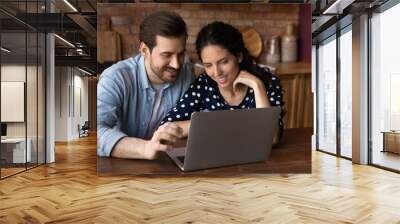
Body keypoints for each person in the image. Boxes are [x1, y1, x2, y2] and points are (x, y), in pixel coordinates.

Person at [97, 11, 195, 159]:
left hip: (167, 164)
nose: (176, 64)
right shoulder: (115, 78)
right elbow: (96, 132)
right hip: (122, 166)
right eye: (167, 55)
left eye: (180, 54)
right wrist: (145, 149)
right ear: (144, 50)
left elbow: (198, 120)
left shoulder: (187, 75)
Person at [161, 21, 284, 138]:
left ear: (239, 56)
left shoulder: (267, 82)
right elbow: (166, 128)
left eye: (224, 62)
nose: (216, 73)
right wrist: (215, 124)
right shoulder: (204, 84)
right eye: (208, 65)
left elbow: (272, 138)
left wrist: (258, 86)